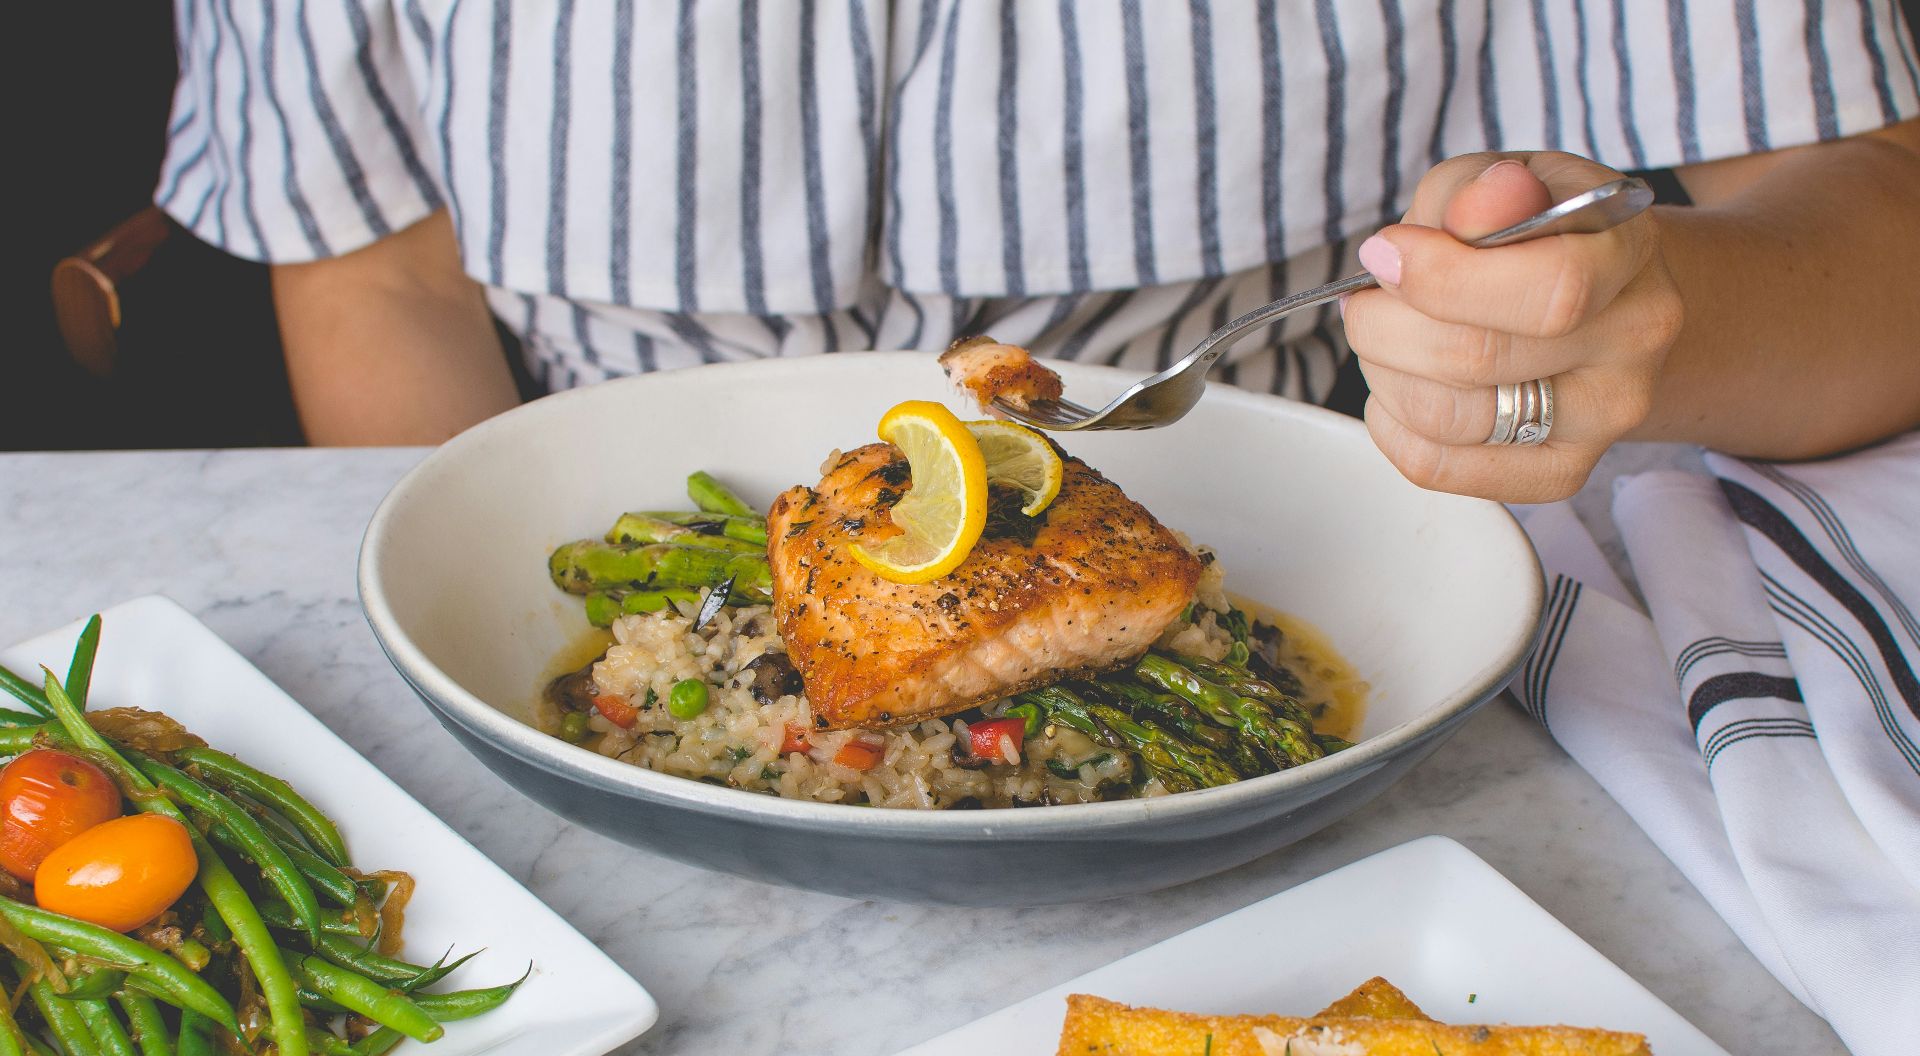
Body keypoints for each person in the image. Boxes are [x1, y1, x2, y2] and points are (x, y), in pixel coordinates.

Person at [156, 2, 1920, 502]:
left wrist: (1624, 329)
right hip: (601, 551)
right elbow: (380, 279)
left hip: (1316, 530)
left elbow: (1876, 226)